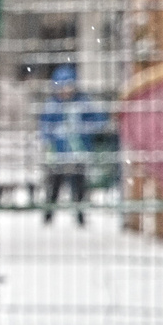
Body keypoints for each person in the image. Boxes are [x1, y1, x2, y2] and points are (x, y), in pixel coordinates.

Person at [37, 63, 110, 227]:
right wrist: (53, 135)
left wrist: (84, 128)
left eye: (69, 86)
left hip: (79, 153)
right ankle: (48, 215)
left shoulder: (84, 103)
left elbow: (99, 121)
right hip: (59, 154)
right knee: (54, 186)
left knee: (79, 186)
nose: (65, 91)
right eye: (61, 87)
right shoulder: (52, 105)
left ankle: (80, 216)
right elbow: (45, 127)